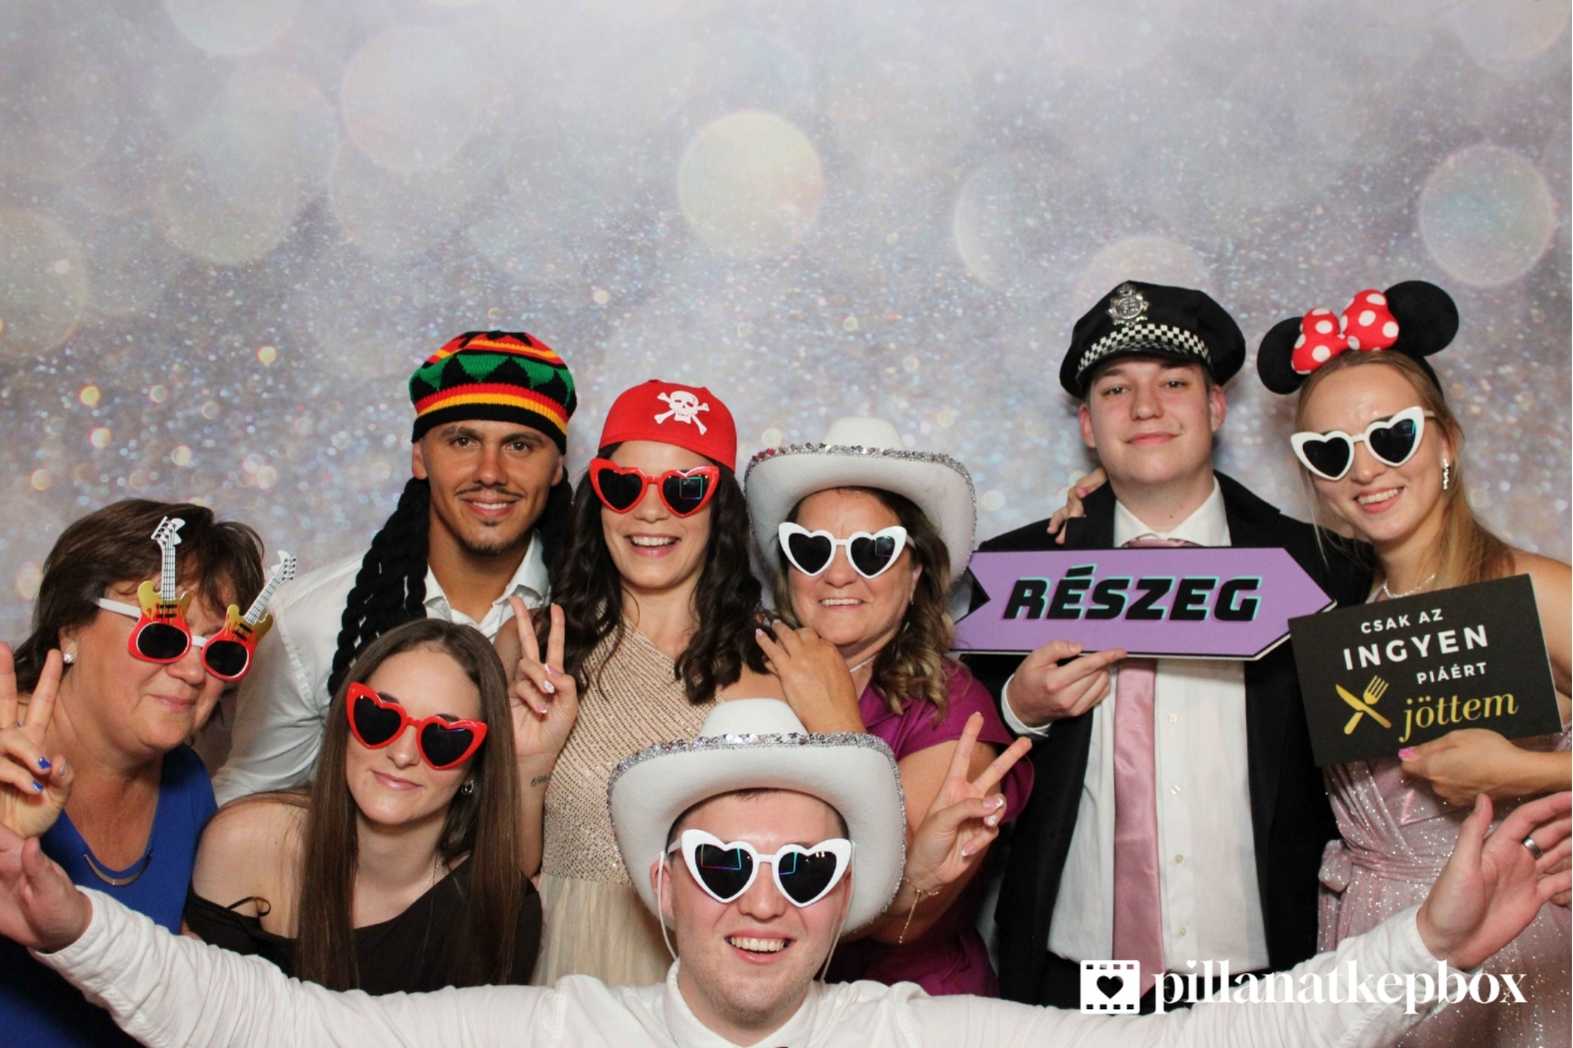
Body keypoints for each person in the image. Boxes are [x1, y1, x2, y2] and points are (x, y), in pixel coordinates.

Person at [6, 698, 1570, 1046]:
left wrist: (1428, 949)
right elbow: (273, 1028)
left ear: (845, 903)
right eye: (725, 860)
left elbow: (1201, 1045)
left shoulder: (913, 1036)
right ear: (665, 885)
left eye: (804, 868)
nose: (763, 895)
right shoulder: (557, 1031)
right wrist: (75, 925)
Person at [967, 281, 1371, 1008]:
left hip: (1267, 977)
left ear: (1215, 407)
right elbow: (955, 761)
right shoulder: (1016, 570)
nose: (1145, 407)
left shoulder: (1322, 568)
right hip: (1076, 977)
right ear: (1088, 425)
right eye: (1115, 389)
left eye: (1173, 383)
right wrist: (1020, 708)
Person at [1257, 279, 1571, 1045]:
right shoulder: (1336, 610)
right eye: (1330, 452)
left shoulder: (1532, 590)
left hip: (1512, 947)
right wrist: (1096, 503)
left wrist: (1525, 771)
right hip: (1368, 953)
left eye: (1390, 436)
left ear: (1445, 442)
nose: (1364, 470)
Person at [213, 330, 577, 802]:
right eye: (462, 440)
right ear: (420, 458)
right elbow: (247, 804)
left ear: (557, 467)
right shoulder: (307, 619)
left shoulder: (595, 609)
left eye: (520, 446)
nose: (490, 472)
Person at [500, 379, 780, 985]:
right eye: (624, 486)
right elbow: (503, 874)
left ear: (720, 509)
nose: (649, 511)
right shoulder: (533, 646)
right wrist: (529, 766)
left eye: (683, 490)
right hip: (565, 969)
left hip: (720, 977)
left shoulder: (778, 664)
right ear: (597, 501)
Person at [745, 415, 1033, 994]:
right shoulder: (744, 677)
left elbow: (904, 917)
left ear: (915, 571)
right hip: (761, 995)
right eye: (811, 549)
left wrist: (836, 726)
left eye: (872, 551)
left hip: (907, 1006)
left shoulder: (956, 711)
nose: (837, 575)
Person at [0, 499, 264, 1046]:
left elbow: (179, 987)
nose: (193, 671)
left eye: (220, 650)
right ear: (71, 628)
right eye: (163, 633)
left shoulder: (186, 783)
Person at [184, 618, 541, 992]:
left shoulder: (503, 909)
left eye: (443, 739)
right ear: (345, 724)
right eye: (378, 717)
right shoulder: (242, 844)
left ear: (475, 767)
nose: (402, 754)